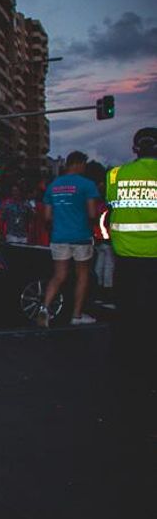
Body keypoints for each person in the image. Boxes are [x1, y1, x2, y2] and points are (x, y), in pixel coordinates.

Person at [105, 127, 157, 403]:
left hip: (125, 254)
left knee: (127, 309)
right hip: (154, 255)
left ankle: (127, 359)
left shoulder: (115, 175)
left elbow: (112, 204)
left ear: (135, 149)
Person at [37, 151, 99, 327]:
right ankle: (77, 316)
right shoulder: (87, 185)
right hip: (80, 236)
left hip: (59, 237)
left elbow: (47, 217)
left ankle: (45, 308)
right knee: (82, 275)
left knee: (59, 275)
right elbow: (93, 213)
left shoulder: (53, 186)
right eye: (84, 165)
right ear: (78, 164)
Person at [0, 180, 33, 244]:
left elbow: (31, 219)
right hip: (11, 235)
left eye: (16, 191)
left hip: (23, 235)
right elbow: (1, 219)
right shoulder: (7, 204)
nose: (15, 193)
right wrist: (0, 233)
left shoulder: (26, 204)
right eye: (13, 191)